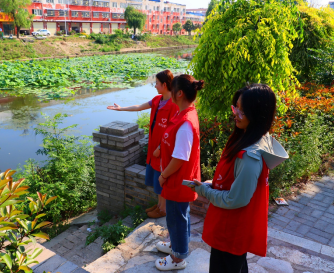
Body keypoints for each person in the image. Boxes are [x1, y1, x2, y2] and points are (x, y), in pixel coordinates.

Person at [193, 84, 289, 273]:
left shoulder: (249, 156)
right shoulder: (251, 138)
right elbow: (237, 184)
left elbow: (236, 199)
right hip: (229, 229)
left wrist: (205, 191)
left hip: (231, 232)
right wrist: (214, 184)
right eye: (235, 107)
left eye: (242, 111)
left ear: (258, 115)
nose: (235, 113)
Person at [107, 70, 179, 218]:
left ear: (164, 85)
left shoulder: (174, 105)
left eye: (157, 83)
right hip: (154, 147)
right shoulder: (157, 100)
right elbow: (139, 106)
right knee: (157, 177)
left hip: (163, 149)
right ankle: (159, 205)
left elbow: (173, 131)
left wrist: (160, 148)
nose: (155, 86)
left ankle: (163, 209)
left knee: (162, 177)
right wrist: (121, 109)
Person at [154, 74, 204, 271]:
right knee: (178, 216)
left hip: (177, 180)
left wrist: (163, 175)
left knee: (177, 218)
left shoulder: (186, 123)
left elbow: (180, 158)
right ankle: (176, 246)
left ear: (180, 93)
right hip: (177, 179)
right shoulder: (183, 113)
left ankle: (178, 258)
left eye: (172, 89)